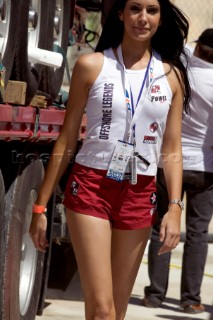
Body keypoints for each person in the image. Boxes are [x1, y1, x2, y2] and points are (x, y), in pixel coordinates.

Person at [29, 0, 191, 319]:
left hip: (139, 191)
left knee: (115, 312)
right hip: (91, 188)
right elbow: (67, 138)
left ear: (160, 19)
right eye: (134, 8)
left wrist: (175, 207)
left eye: (152, 10)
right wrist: (40, 207)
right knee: (102, 310)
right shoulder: (91, 65)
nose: (142, 18)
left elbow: (172, 149)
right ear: (120, 14)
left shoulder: (171, 76)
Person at [143, 28, 213, 314]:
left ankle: (155, 295)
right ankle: (190, 299)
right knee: (197, 234)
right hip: (204, 169)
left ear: (198, 47)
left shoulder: (181, 63)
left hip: (168, 162)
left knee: (161, 226)